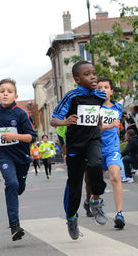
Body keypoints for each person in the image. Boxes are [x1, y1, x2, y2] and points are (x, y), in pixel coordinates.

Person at [51, 60, 107, 240]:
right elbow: (54, 120)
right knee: (74, 186)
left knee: (97, 164)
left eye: (94, 73)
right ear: (77, 78)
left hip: (92, 140)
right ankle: (72, 217)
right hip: (75, 144)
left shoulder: (99, 95)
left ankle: (96, 202)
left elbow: (98, 116)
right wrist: (65, 121)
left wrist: (99, 128)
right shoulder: (71, 96)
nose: (93, 76)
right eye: (87, 74)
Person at [0, 78, 37, 241]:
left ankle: (15, 189)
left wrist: (13, 136)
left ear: (15, 96)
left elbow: (32, 137)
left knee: (18, 188)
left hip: (22, 157)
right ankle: (15, 225)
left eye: (9, 91)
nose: (5, 94)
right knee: (11, 183)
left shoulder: (21, 114)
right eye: (2, 91)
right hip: (4, 155)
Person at [97, 77, 125, 229]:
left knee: (115, 176)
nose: (103, 90)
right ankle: (95, 204)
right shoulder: (94, 108)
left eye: (106, 87)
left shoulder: (118, 108)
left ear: (111, 91)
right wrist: (109, 126)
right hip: (96, 147)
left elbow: (117, 126)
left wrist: (114, 130)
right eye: (100, 88)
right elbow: (95, 129)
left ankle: (119, 213)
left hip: (112, 147)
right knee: (96, 181)